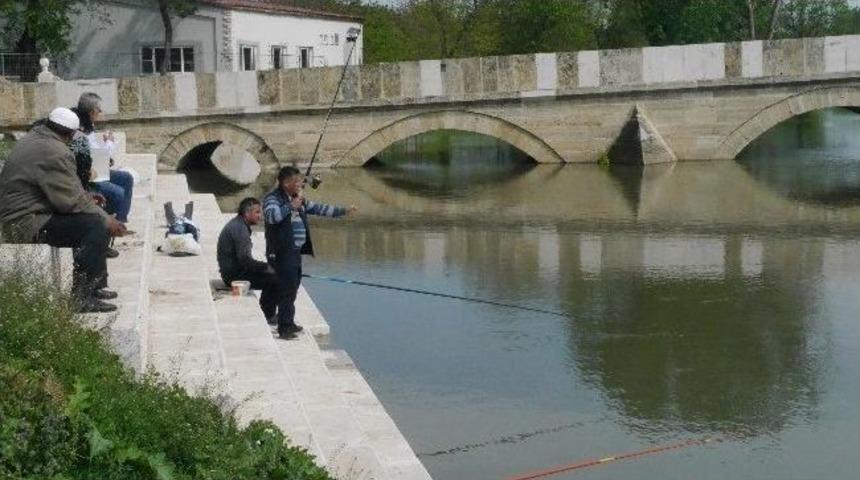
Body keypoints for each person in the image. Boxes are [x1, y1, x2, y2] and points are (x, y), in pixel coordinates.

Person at [0, 107, 127, 312]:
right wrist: (107, 220)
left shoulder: (37, 138)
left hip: (29, 213)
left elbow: (63, 188)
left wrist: (87, 198)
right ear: (69, 134)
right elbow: (71, 202)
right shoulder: (54, 151)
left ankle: (95, 287)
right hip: (24, 223)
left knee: (93, 215)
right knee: (93, 225)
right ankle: (82, 298)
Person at [263, 166, 356, 339]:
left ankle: (289, 322)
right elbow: (270, 216)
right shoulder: (273, 199)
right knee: (286, 289)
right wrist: (291, 206)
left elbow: (319, 209)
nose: (300, 184)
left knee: (293, 287)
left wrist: (343, 211)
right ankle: (284, 328)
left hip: (295, 251)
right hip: (281, 252)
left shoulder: (297, 198)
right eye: (297, 181)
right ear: (285, 183)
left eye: (300, 181)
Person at [70, 93, 134, 255]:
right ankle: (105, 234)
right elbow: (88, 156)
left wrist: (106, 152)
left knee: (126, 178)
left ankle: (119, 222)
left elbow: (95, 153)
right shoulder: (79, 128)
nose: (100, 112)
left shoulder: (87, 125)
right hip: (85, 176)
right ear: (91, 111)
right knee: (117, 193)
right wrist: (110, 144)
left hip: (95, 168)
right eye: (99, 110)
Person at [217, 197, 281, 323]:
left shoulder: (239, 224)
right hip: (233, 277)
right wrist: (266, 267)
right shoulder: (240, 230)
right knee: (275, 279)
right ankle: (268, 315)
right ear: (247, 213)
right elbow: (245, 260)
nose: (260, 216)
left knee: (273, 274)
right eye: (257, 212)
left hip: (234, 271)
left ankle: (266, 311)